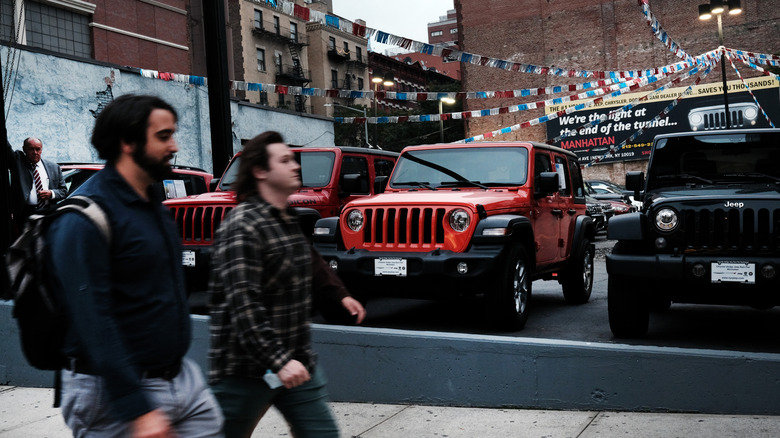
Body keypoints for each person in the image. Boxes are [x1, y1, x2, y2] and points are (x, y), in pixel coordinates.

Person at [46, 94, 224, 437]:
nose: (174, 146)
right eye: (163, 136)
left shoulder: (151, 204)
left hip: (178, 379)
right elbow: (92, 319)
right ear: (128, 142)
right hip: (111, 393)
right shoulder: (85, 216)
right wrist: (136, 406)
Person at [208, 131, 366, 438]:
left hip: (297, 363)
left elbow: (310, 259)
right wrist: (279, 362)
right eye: (284, 161)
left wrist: (339, 295)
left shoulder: (284, 218)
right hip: (245, 371)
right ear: (260, 171)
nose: (295, 166)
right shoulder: (242, 226)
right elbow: (244, 305)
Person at [6, 137, 67, 232]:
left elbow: (64, 191)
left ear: (41, 150)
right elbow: (6, 148)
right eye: (31, 149)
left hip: (48, 213)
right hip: (25, 214)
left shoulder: (54, 168)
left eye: (38, 149)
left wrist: (51, 193)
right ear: (24, 149)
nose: (35, 152)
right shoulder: (17, 163)